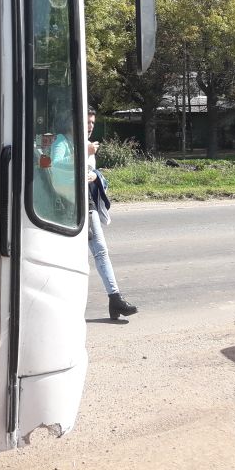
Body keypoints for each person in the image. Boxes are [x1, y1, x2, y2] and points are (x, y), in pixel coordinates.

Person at [86, 109, 137, 321]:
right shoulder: (68, 143)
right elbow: (59, 170)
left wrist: (95, 175)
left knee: (101, 252)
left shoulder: (87, 146)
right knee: (96, 253)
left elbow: (89, 174)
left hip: (87, 205)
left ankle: (115, 299)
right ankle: (114, 300)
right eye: (87, 122)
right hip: (72, 208)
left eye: (92, 122)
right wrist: (85, 153)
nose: (90, 126)